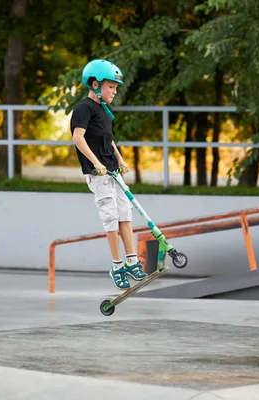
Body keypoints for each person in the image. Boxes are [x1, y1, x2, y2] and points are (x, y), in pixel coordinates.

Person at [70, 59, 148, 290]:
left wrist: (120, 159)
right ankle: (117, 266)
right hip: (99, 175)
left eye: (115, 87)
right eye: (111, 87)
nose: (114, 91)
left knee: (126, 214)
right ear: (95, 84)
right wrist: (96, 163)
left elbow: (107, 138)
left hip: (113, 171)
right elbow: (77, 138)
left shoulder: (103, 109)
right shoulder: (84, 108)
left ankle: (132, 261)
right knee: (111, 218)